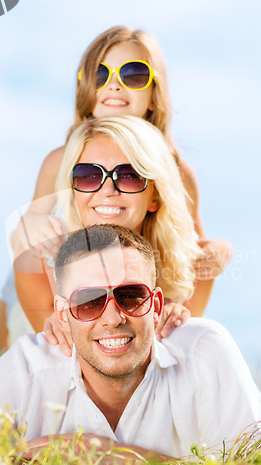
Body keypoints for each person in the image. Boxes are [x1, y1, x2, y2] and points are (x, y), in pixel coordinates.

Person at [0, 225, 261, 464]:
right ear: (62, 315)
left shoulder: (205, 350)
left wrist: (114, 457)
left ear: (157, 305)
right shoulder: (30, 367)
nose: (113, 318)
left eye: (131, 296)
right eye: (88, 301)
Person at [9, 27, 232, 334]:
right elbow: (24, 237)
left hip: (136, 284)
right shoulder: (61, 160)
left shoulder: (176, 171)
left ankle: (168, 341)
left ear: (155, 94)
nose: (114, 85)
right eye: (100, 75)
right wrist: (28, 224)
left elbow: (194, 251)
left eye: (134, 74)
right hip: (59, 282)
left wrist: (220, 252)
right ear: (85, 91)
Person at [14, 115, 203, 353]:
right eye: (89, 175)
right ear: (73, 193)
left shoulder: (192, 268)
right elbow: (65, 361)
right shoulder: (36, 260)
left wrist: (179, 323)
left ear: (155, 196)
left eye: (129, 175)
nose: (107, 190)